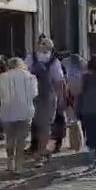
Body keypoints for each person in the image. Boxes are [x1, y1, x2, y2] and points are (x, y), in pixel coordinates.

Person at [25, 37, 65, 167]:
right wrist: (61, 99)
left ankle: (34, 148)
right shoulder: (54, 62)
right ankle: (42, 153)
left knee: (34, 123)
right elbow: (59, 82)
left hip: (31, 96)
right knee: (46, 126)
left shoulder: (30, 58)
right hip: (48, 97)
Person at [0, 57, 38, 174]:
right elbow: (34, 94)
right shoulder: (30, 77)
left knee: (9, 138)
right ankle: (18, 165)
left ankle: (10, 162)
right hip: (25, 111)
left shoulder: (2, 77)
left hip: (7, 112)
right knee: (21, 140)